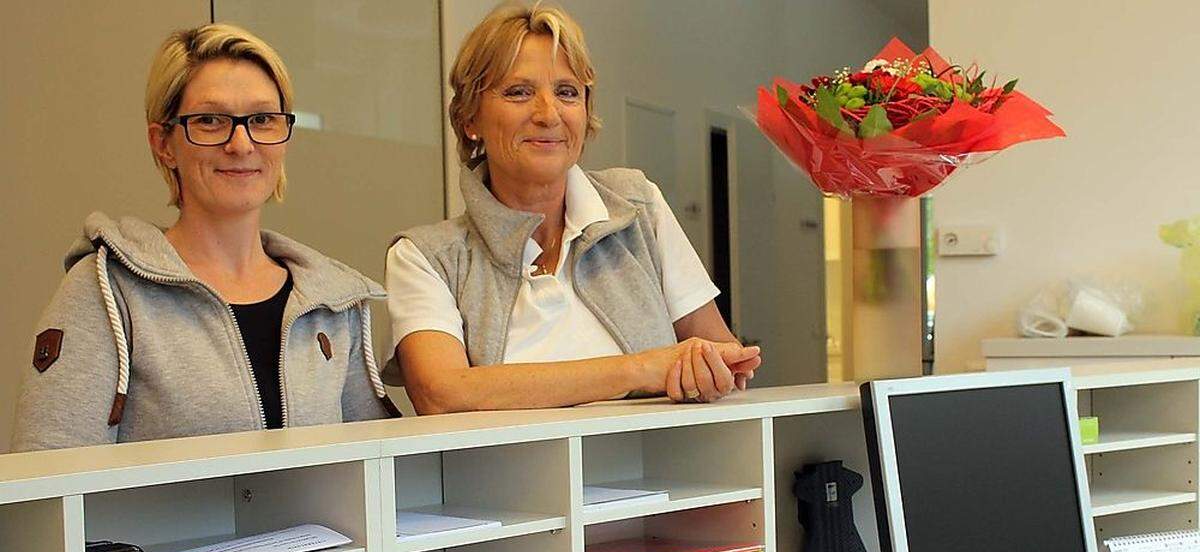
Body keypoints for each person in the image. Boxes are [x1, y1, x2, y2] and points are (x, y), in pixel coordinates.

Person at [11, 23, 396, 452]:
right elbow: (46, 476)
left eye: (263, 119)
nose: (241, 143)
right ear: (164, 144)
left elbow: (377, 470)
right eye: (210, 121)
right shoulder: (103, 293)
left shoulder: (333, 305)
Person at [385, 2, 760, 415]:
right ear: (470, 118)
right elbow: (442, 394)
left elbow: (723, 352)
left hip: (663, 472)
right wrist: (640, 369)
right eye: (518, 92)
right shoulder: (425, 257)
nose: (548, 115)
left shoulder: (639, 206)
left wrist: (712, 368)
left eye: (566, 92)